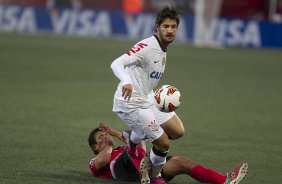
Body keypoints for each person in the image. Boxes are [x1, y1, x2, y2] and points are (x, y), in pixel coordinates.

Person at [110, 6, 184, 184]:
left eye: (173, 27)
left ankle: (133, 137)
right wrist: (126, 80)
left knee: (177, 131)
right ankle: (155, 177)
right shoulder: (147, 47)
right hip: (130, 103)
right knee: (164, 143)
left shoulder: (162, 48)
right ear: (157, 27)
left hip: (147, 98)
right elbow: (116, 63)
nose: (170, 30)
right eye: (166, 26)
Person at [88, 124, 248, 184]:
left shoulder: (122, 148)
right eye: (101, 138)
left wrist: (115, 133)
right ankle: (148, 176)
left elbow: (131, 139)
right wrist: (109, 143)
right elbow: (102, 161)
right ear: (95, 147)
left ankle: (225, 180)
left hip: (145, 166)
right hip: (124, 173)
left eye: (106, 135)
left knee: (181, 162)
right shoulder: (95, 161)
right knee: (132, 148)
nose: (106, 138)